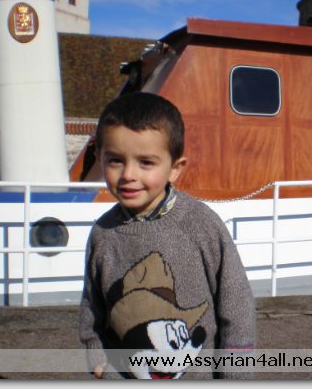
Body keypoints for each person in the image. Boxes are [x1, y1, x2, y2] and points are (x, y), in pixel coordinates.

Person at [78, 91, 255, 379]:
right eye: (115, 160)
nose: (128, 174)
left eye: (146, 162)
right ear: (100, 158)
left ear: (174, 169)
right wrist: (96, 358)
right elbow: (92, 305)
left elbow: (236, 304)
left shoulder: (201, 225)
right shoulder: (102, 233)